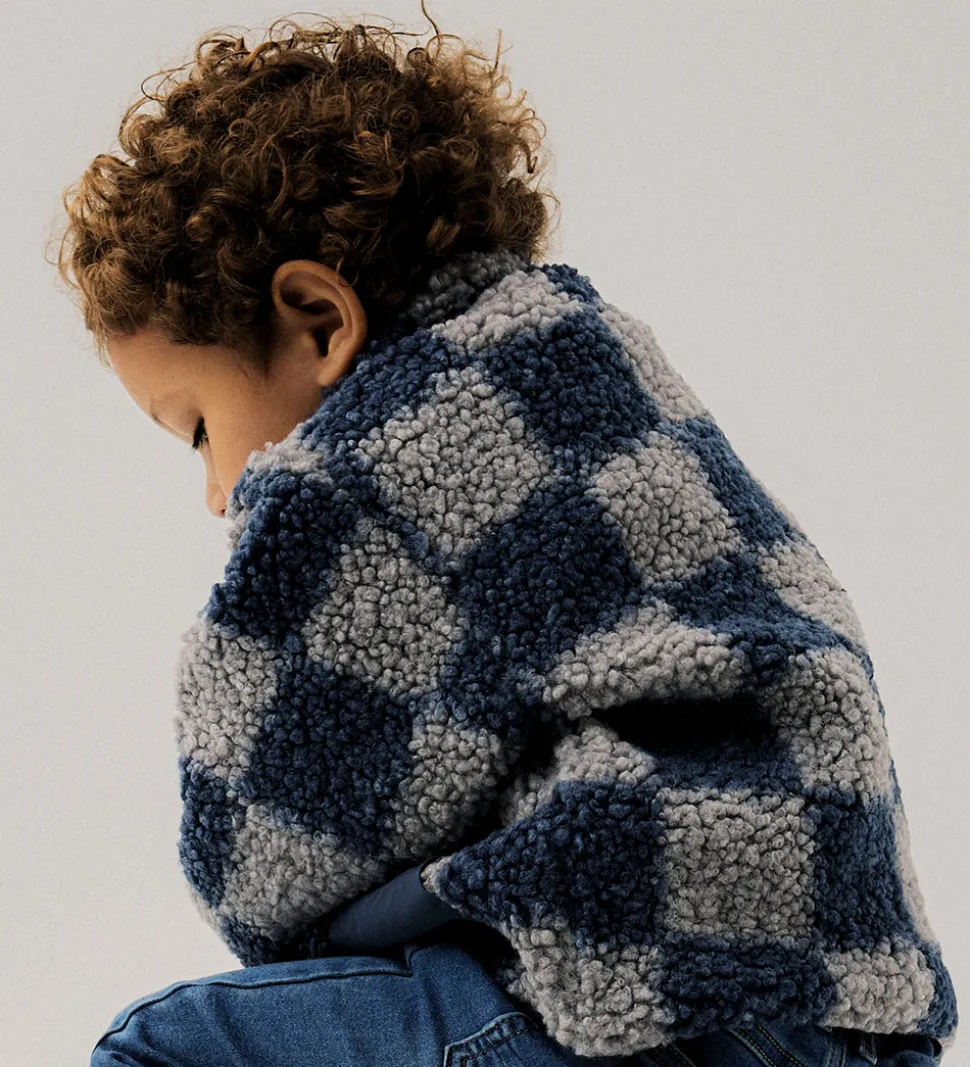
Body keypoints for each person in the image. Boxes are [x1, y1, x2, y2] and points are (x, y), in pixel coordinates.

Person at [55, 8, 953, 1067]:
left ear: (320, 321)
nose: (217, 490)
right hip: (841, 1014)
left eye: (200, 426)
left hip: (634, 995)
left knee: (164, 1045)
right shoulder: (597, 368)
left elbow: (258, 857)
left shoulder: (360, 470)